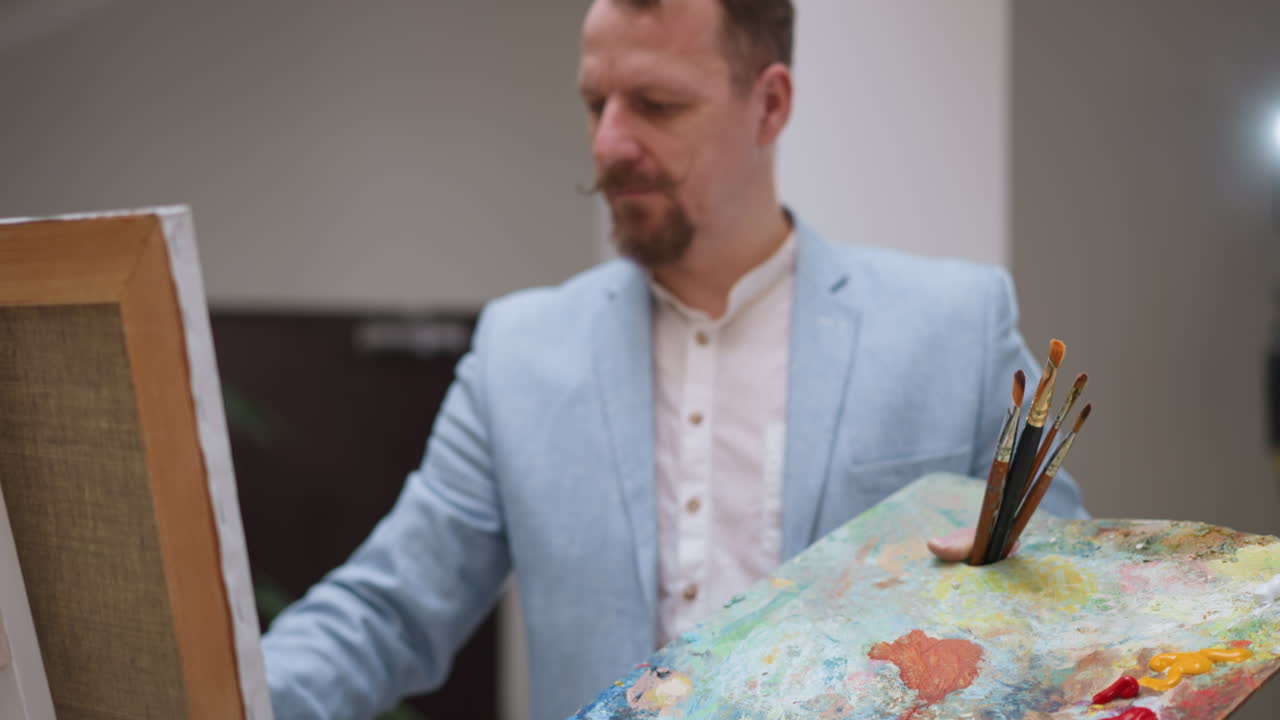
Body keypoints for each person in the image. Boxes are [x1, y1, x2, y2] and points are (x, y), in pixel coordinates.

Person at [261, 1, 1087, 718]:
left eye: (656, 105)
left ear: (769, 106)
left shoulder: (953, 329)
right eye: (595, 104)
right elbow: (389, 610)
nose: (611, 142)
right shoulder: (519, 354)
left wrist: (1001, 587)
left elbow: (1076, 598)